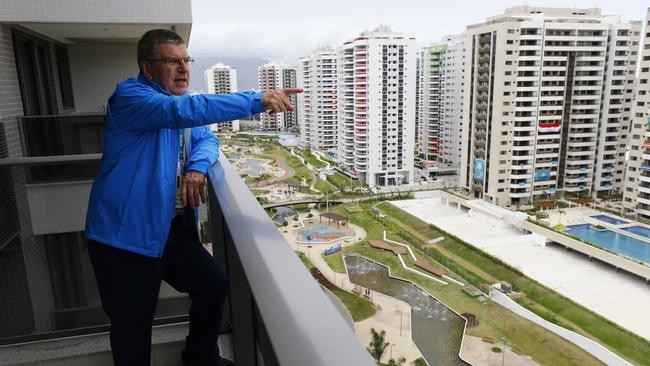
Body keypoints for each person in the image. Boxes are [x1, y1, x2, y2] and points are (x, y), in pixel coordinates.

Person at [84, 29, 302, 366]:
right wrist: (257, 100)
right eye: (172, 61)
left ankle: (200, 357)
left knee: (213, 284)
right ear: (147, 67)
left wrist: (197, 168)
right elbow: (185, 111)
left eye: (187, 60)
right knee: (133, 329)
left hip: (167, 232)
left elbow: (206, 140)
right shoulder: (133, 99)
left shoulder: (177, 108)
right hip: (123, 239)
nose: (183, 68)